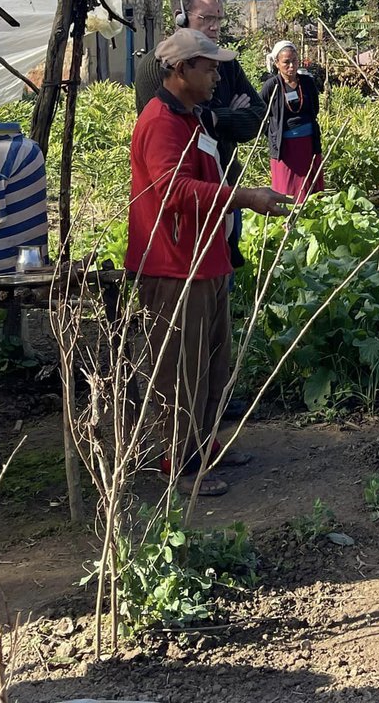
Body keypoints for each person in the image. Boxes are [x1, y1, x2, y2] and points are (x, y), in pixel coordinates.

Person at [126, 28, 291, 496]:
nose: (218, 74)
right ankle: (177, 462)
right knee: (181, 368)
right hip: (176, 265)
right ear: (181, 71)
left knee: (212, 363)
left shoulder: (191, 116)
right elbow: (172, 192)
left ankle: (203, 445)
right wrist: (245, 197)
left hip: (205, 260)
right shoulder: (161, 122)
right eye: (209, 66)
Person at [135, 0, 266, 269]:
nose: (215, 26)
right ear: (180, 17)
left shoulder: (225, 62)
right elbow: (183, 128)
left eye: (219, 18)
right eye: (206, 17)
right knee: (192, 284)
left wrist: (216, 115)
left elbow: (257, 116)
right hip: (185, 207)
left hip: (226, 190)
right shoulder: (157, 66)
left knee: (223, 273)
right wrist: (225, 114)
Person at [261, 40, 324, 203]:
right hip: (285, 147)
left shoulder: (307, 82)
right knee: (286, 189)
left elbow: (314, 109)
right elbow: (260, 112)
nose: (291, 65)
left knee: (309, 188)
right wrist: (272, 135)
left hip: (307, 144)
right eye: (286, 62)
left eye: (294, 61)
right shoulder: (272, 85)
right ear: (277, 63)